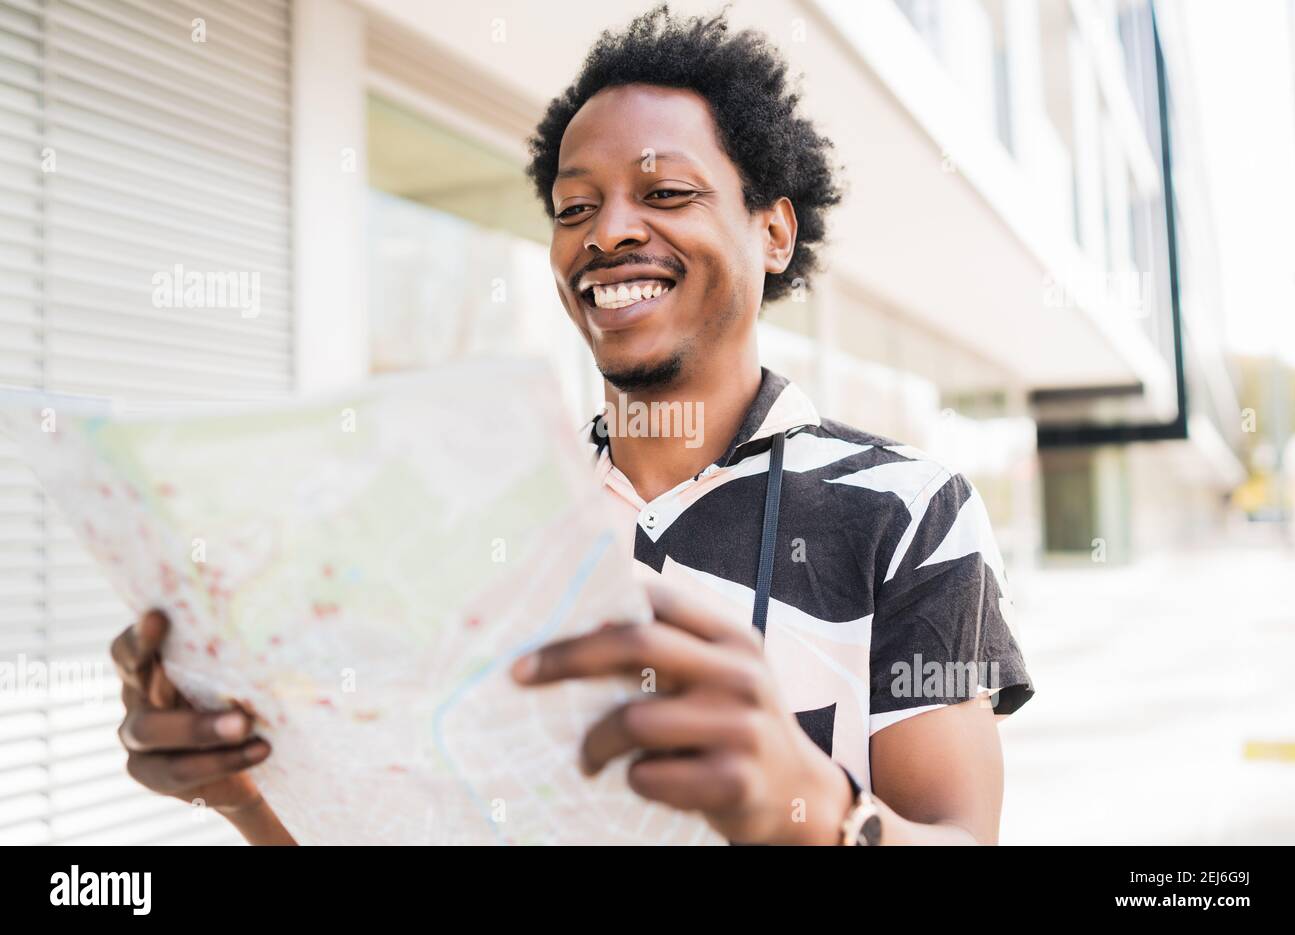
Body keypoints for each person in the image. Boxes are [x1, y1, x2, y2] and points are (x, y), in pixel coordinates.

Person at [111, 5, 1032, 846]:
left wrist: (812, 807)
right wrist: (241, 792)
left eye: (665, 193)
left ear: (775, 232)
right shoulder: (481, 516)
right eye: (574, 207)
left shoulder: (909, 512)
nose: (606, 233)